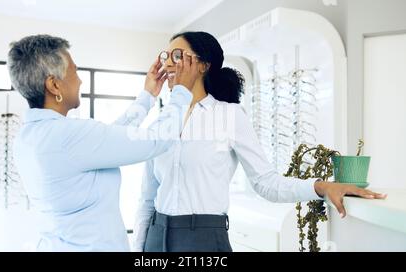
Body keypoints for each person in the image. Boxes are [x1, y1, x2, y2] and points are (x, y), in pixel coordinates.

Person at [133, 31, 387, 252]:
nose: (168, 64)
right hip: (156, 237)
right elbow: (147, 198)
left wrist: (321, 187)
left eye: (178, 56)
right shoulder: (161, 122)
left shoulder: (229, 116)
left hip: (203, 239)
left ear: (203, 65)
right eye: (165, 57)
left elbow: (266, 182)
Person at [8, 34, 199, 251]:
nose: (79, 80)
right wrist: (183, 91)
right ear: (54, 85)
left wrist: (147, 97)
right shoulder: (67, 136)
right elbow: (156, 140)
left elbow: (110, 138)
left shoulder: (28, 137)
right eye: (74, 71)